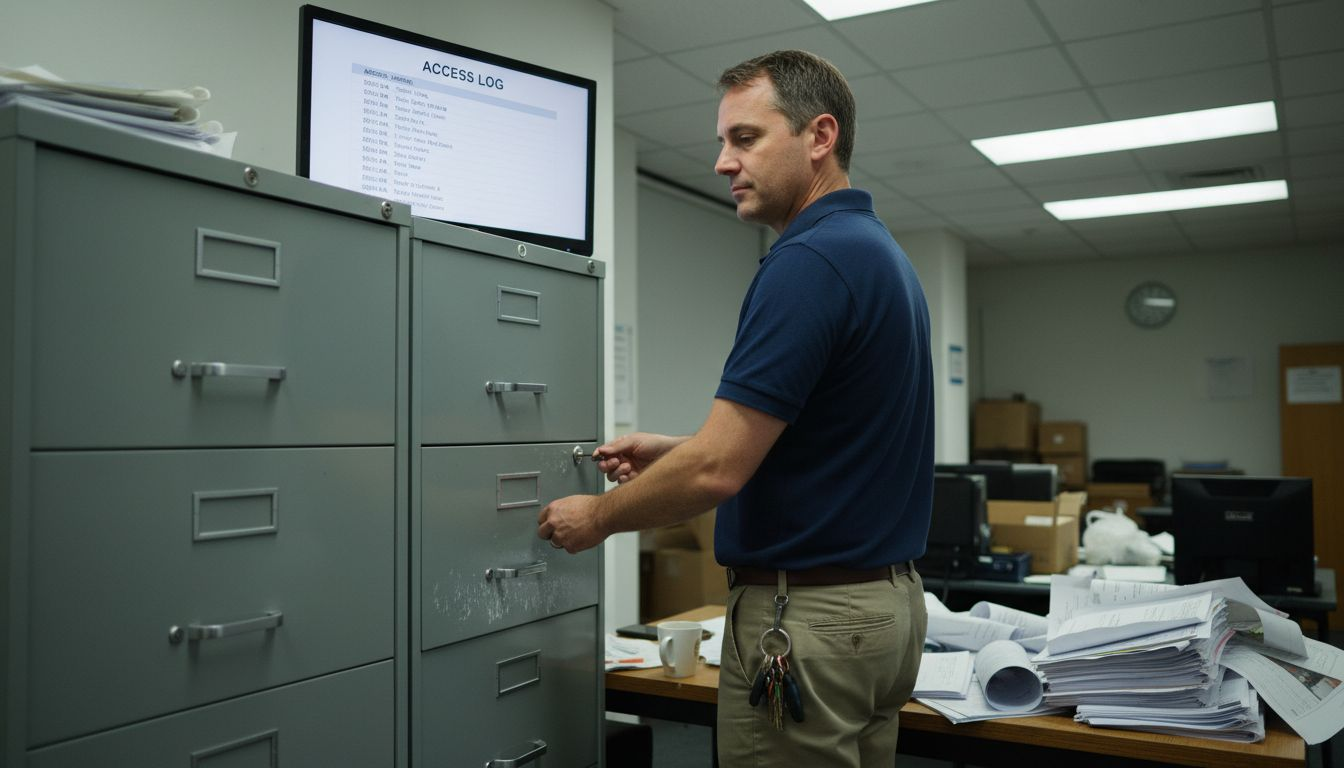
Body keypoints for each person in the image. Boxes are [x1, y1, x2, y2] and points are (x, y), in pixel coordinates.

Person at [537, 49, 933, 767]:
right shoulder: (878, 255)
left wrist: (594, 518)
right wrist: (678, 450)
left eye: (744, 138)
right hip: (884, 615)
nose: (723, 161)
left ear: (819, 136)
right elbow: (820, 439)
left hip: (808, 621)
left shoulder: (809, 262)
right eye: (723, 142)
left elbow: (719, 471)